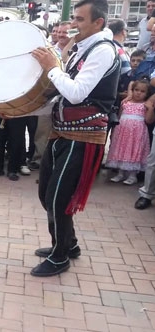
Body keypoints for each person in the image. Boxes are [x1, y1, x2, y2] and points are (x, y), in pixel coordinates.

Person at [31, 0, 121, 276]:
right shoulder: (84, 48)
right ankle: (67, 243)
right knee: (47, 192)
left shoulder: (103, 50)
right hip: (63, 132)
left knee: (58, 198)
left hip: (83, 136)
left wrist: (51, 67)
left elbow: (77, 93)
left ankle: (60, 257)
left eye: (80, 20)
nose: (73, 25)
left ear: (99, 23)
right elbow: (61, 94)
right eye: (74, 19)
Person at [107, 79, 151, 185]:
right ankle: (120, 173)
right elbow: (119, 117)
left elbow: (149, 120)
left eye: (142, 91)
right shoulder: (125, 103)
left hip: (137, 134)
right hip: (123, 132)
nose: (138, 93)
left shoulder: (145, 105)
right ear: (132, 90)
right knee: (122, 149)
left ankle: (132, 175)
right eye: (136, 90)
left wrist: (150, 110)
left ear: (147, 93)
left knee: (134, 151)